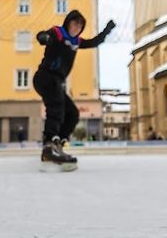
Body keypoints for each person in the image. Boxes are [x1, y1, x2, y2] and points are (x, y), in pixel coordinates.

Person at [34, 10, 114, 170]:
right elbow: (44, 35)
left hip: (56, 82)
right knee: (56, 107)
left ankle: (57, 144)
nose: (77, 27)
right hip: (45, 77)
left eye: (80, 26)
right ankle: (49, 145)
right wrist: (44, 38)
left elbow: (93, 42)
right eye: (74, 23)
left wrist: (106, 30)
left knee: (72, 114)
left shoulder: (76, 41)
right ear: (68, 23)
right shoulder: (58, 33)